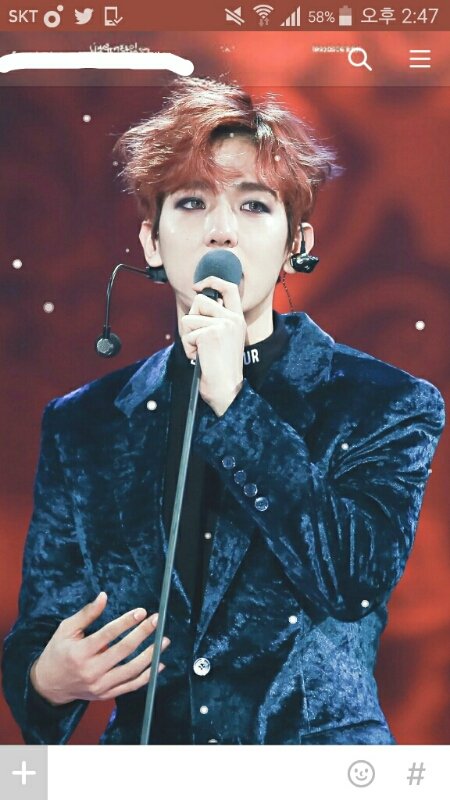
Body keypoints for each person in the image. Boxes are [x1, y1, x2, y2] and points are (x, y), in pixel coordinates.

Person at [2, 77, 445, 746]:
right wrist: (47, 679)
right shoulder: (85, 423)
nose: (221, 230)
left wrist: (233, 403)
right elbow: (43, 627)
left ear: (297, 241)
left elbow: (353, 580)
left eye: (254, 205)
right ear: (152, 242)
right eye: (191, 201)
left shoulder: (384, 402)